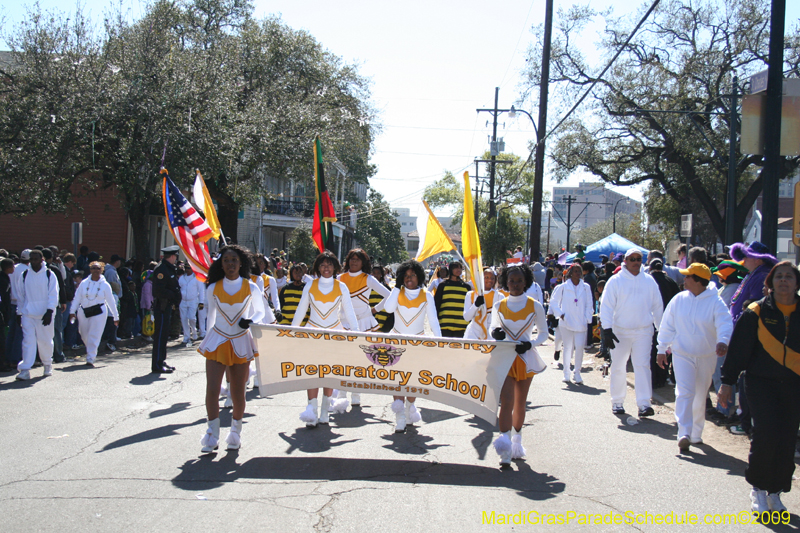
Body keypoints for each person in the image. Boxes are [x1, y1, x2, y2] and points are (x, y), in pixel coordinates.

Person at [718, 261, 800, 514]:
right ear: (771, 282)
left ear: (797, 283)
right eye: (779, 277)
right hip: (760, 383)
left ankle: (775, 492)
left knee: (787, 439)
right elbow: (739, 351)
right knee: (765, 435)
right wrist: (727, 383)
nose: (783, 280)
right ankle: (757, 489)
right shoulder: (755, 312)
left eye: (789, 277)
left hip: (794, 385)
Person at [656, 263, 732, 452]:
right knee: (684, 392)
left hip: (706, 356)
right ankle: (684, 432)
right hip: (682, 354)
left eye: (688, 276)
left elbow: (725, 323)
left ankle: (696, 434)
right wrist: (661, 348)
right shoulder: (679, 299)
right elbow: (667, 325)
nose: (684, 279)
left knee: (700, 395)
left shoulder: (716, 302)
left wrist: (723, 341)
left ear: (698, 280)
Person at [198, 245, 266, 453]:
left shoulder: (251, 287)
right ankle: (212, 433)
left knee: (238, 392)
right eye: (226, 260)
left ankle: (235, 431)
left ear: (241, 263)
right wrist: (207, 339)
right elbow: (210, 316)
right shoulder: (212, 288)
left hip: (240, 341)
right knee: (213, 389)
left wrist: (250, 321)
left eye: (234, 260)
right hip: (217, 340)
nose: (230, 264)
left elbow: (261, 312)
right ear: (221, 263)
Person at [489, 263, 548, 467]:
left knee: (520, 404)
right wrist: (495, 334)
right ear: (506, 282)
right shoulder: (499, 305)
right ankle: (503, 447)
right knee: (506, 401)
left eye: (519, 281)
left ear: (526, 282)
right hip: (505, 358)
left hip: (525, 358)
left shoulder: (535, 306)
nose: (515, 284)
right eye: (511, 281)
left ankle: (516, 442)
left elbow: (544, 333)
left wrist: (530, 343)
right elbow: (492, 329)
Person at [292, 251, 358, 427]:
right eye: (322, 265)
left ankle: (324, 410)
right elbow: (300, 311)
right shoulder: (310, 285)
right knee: (312, 372)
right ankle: (311, 410)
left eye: (329, 265)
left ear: (335, 267)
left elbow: (350, 313)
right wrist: (291, 331)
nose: (326, 268)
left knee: (329, 373)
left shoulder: (341, 287)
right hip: (312, 333)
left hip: (334, 334)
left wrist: (358, 335)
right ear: (317, 268)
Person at [600, 249, 663, 417]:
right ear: (625, 261)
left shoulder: (649, 281)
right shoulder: (615, 281)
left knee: (642, 366)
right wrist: (606, 329)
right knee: (619, 366)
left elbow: (657, 307)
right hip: (620, 332)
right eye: (632, 259)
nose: (636, 262)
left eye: (639, 259)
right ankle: (617, 402)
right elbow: (606, 306)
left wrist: (661, 331)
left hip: (643, 331)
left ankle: (644, 404)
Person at [383, 260, 441, 432]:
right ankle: (399, 415)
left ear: (420, 277)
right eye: (406, 276)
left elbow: (433, 321)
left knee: (413, 380)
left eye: (413, 275)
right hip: (397, 342)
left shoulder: (426, 295)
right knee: (398, 380)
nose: (409, 279)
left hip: (417, 344)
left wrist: (441, 343)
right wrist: (395, 288)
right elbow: (388, 309)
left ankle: (410, 408)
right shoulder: (397, 292)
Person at [15, 250, 59, 380]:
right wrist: (19, 312)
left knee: (45, 341)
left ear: (42, 260)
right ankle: (25, 369)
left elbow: (53, 294)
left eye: (36, 259)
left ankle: (47, 364)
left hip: (44, 314)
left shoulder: (49, 274)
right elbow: (21, 296)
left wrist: (50, 311)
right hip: (28, 314)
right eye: (31, 259)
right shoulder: (24, 275)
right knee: (28, 342)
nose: (33, 262)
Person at [548, 263, 593, 384]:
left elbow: (589, 303)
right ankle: (566, 372)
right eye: (576, 271)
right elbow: (553, 302)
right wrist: (561, 314)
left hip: (581, 323)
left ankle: (577, 373)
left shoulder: (586, 287)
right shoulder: (563, 287)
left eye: (580, 271)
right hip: (566, 322)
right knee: (568, 348)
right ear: (570, 273)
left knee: (579, 348)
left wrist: (587, 318)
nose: (578, 273)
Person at [69, 261, 119, 367]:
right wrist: (72, 311)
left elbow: (111, 301)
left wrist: (115, 316)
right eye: (93, 268)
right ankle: (90, 348)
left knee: (94, 335)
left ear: (102, 270)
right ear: (90, 270)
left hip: (99, 312)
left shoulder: (105, 285)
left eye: (98, 268)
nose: (96, 271)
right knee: (83, 334)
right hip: (84, 311)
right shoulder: (84, 283)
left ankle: (90, 358)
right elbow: (77, 297)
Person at [151, 246, 182, 374]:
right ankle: (157, 364)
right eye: (175, 256)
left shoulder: (169, 268)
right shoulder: (162, 269)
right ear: (172, 256)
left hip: (168, 306)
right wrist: (173, 294)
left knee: (164, 336)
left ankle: (161, 360)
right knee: (160, 336)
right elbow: (158, 290)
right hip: (162, 306)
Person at [434, 261, 471, 338]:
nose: (459, 270)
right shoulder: (443, 285)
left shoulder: (466, 287)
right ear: (450, 269)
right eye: (456, 268)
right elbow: (436, 304)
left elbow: (469, 306)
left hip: (462, 325)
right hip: (445, 324)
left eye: (460, 268)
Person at [463, 268, 499, 341]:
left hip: (490, 336)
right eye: (486, 277)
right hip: (472, 335)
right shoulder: (470, 295)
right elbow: (467, 318)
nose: (490, 280)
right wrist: (475, 305)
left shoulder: (499, 296)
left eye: (492, 278)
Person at [179, 263, 205, 347]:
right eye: (186, 268)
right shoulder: (181, 278)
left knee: (191, 318)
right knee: (183, 319)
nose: (187, 270)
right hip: (183, 301)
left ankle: (194, 331)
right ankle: (186, 336)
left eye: (189, 268)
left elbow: (201, 291)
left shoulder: (196, 278)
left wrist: (201, 302)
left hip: (193, 300)